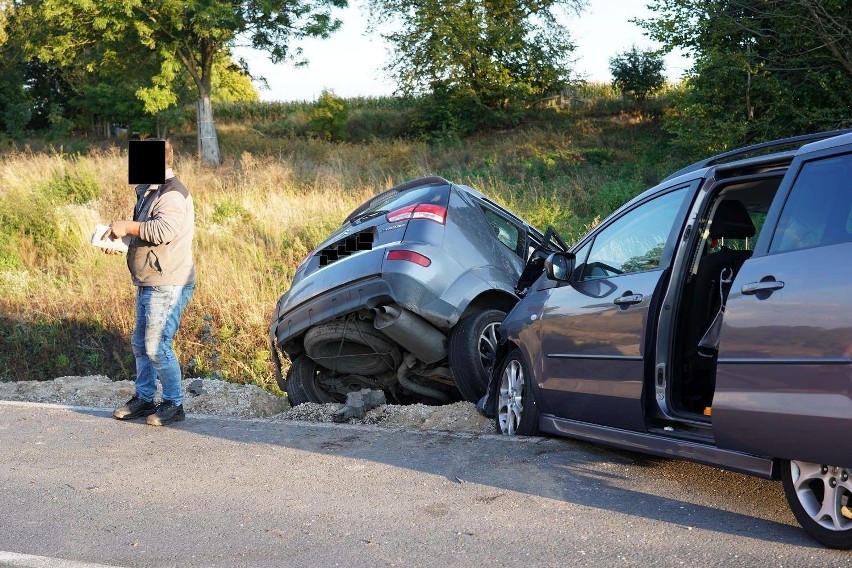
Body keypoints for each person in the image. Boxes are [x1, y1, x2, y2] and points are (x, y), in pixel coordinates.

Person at [109, 139, 196, 426]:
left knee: (156, 345)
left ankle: (174, 404)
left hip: (168, 281)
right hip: (150, 278)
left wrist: (128, 226)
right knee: (140, 343)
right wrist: (122, 240)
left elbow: (163, 230)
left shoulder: (171, 194)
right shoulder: (149, 190)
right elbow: (147, 234)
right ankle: (145, 398)